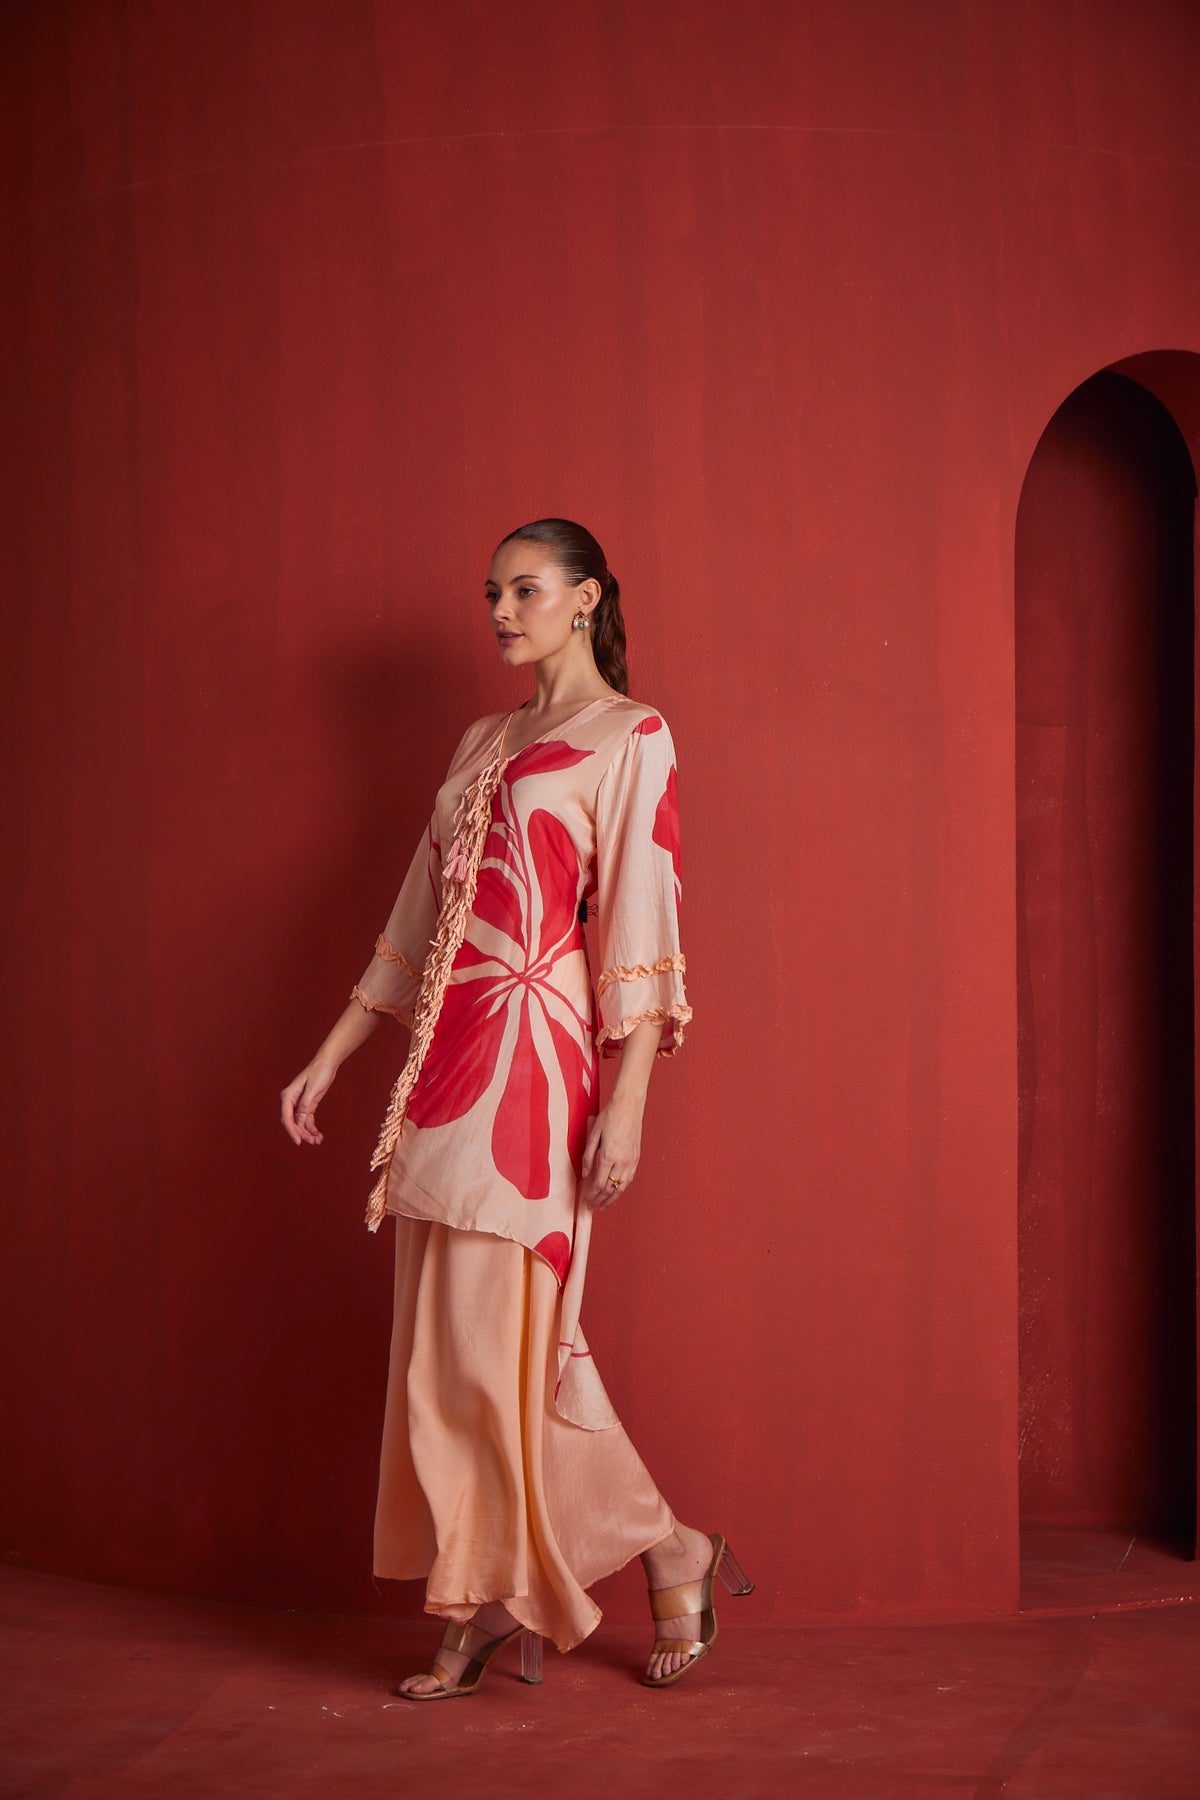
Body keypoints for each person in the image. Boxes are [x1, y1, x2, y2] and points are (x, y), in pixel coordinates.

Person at [280, 518, 751, 1697]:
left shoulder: (631, 734)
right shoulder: (481, 740)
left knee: (506, 1352)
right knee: (447, 1354)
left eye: (524, 589)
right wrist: (333, 1054)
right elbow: (416, 914)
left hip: (538, 1063)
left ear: (585, 599)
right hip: (443, 1068)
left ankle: (594, 1567)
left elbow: (641, 920)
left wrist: (629, 1101)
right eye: (491, 592)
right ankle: (575, 1573)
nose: (499, 610)